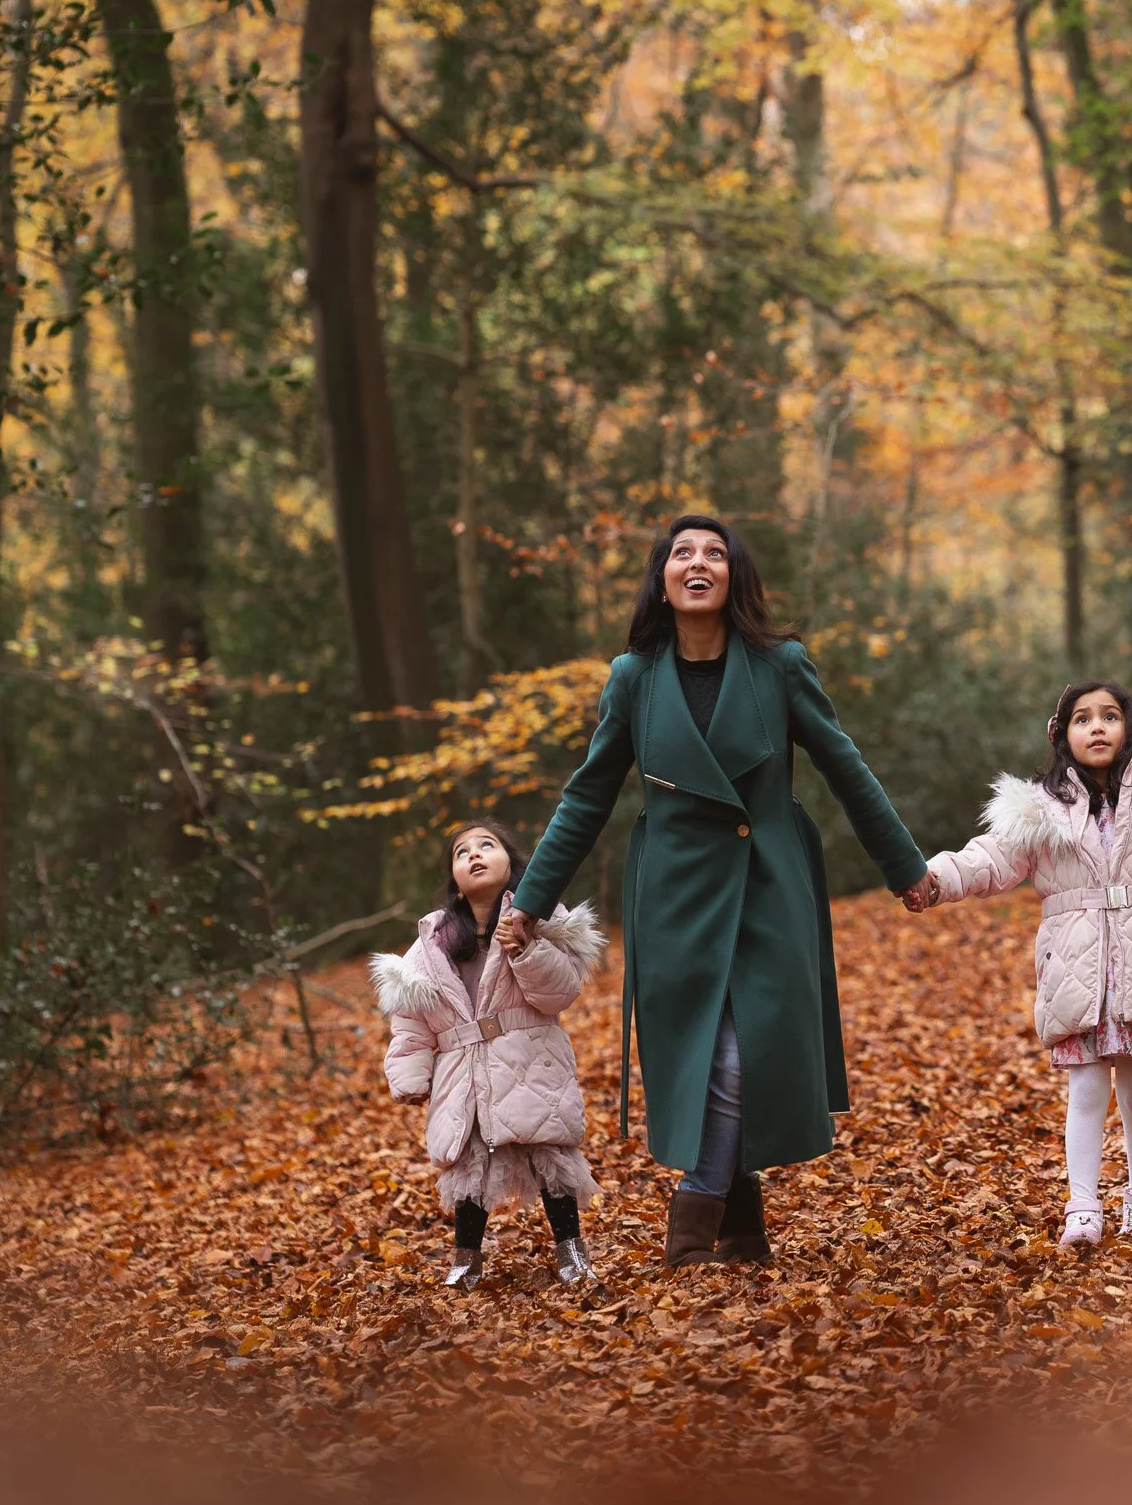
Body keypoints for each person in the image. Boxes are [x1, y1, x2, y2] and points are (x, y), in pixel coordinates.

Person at [500, 515, 932, 1268]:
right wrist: (530, 901)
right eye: (682, 553)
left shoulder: (781, 666)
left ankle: (694, 1217)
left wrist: (905, 866)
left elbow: (845, 766)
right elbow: (588, 795)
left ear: (735, 577)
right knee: (704, 1054)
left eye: (716, 553)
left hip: (768, 884)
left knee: (740, 1055)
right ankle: (742, 1227)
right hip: (674, 896)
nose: (699, 562)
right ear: (662, 579)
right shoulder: (633, 677)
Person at [909, 682, 1132, 1248]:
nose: (1097, 727)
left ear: (1130, 729)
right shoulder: (1040, 811)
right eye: (1082, 719)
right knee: (1088, 1090)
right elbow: (989, 858)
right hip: (1079, 971)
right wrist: (934, 878)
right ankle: (1083, 1204)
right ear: (1062, 735)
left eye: (1110, 716)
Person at [372, 819, 606, 1288]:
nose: (474, 855)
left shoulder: (540, 920)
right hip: (463, 1067)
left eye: (487, 845)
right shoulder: (433, 942)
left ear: (513, 864)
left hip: (530, 1055)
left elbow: (559, 993)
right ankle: (466, 1259)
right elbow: (412, 1017)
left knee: (550, 1154)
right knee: (468, 1163)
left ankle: (571, 1251)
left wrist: (525, 949)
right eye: (462, 852)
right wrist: (410, 1075)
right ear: (454, 881)